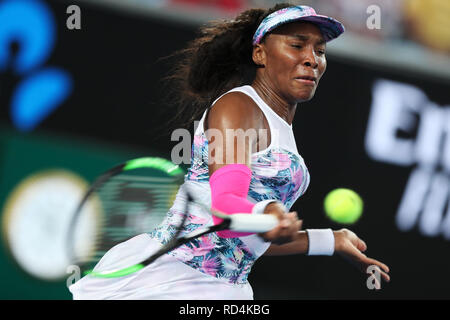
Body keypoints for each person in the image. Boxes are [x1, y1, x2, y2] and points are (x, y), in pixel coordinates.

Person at [69, 3, 390, 300]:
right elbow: (226, 206)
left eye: (320, 51)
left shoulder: (281, 129)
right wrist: (265, 215)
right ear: (260, 54)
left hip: (224, 289)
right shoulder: (238, 106)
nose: (312, 59)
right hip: (168, 281)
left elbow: (243, 242)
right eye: (297, 45)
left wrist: (331, 240)